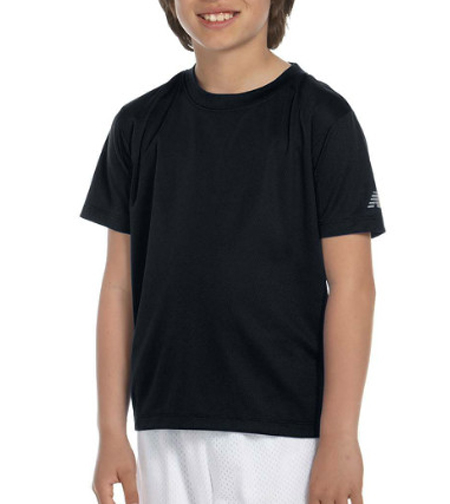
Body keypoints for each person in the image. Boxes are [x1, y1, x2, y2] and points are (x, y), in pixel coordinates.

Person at [80, 0, 386, 502]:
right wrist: (111, 430)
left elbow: (353, 287)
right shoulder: (138, 124)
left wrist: (340, 437)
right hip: (165, 427)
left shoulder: (322, 119)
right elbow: (118, 286)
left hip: (286, 433)